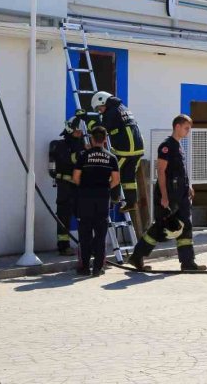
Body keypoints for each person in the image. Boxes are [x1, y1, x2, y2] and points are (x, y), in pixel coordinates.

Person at [126, 114, 206, 272]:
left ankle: (188, 262)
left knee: (186, 226)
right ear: (177, 127)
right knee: (161, 228)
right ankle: (137, 256)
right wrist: (164, 196)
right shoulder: (166, 146)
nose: (188, 132)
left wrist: (188, 186)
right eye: (186, 128)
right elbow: (161, 172)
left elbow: (180, 171)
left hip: (181, 195)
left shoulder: (179, 146)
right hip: (169, 195)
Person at [72, 126, 120, 277]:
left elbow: (75, 178)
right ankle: (98, 268)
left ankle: (84, 267)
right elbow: (116, 180)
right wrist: (105, 187)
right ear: (105, 139)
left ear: (92, 139)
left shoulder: (83, 156)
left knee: (84, 233)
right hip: (102, 198)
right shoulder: (111, 157)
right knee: (100, 234)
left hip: (85, 198)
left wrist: (86, 187)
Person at [90, 91, 144, 212]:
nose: (100, 111)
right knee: (128, 177)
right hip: (137, 148)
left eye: (100, 108)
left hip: (126, 150)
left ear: (103, 102)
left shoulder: (111, 112)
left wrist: (89, 121)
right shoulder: (122, 108)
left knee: (111, 173)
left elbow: (101, 129)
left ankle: (113, 198)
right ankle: (131, 203)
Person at [51, 113, 89, 256]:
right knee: (63, 215)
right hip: (65, 186)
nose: (79, 134)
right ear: (69, 129)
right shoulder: (61, 145)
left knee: (83, 215)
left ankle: (84, 245)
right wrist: (85, 152)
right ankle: (63, 246)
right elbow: (70, 159)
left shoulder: (82, 144)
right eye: (77, 131)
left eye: (81, 132)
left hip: (79, 186)